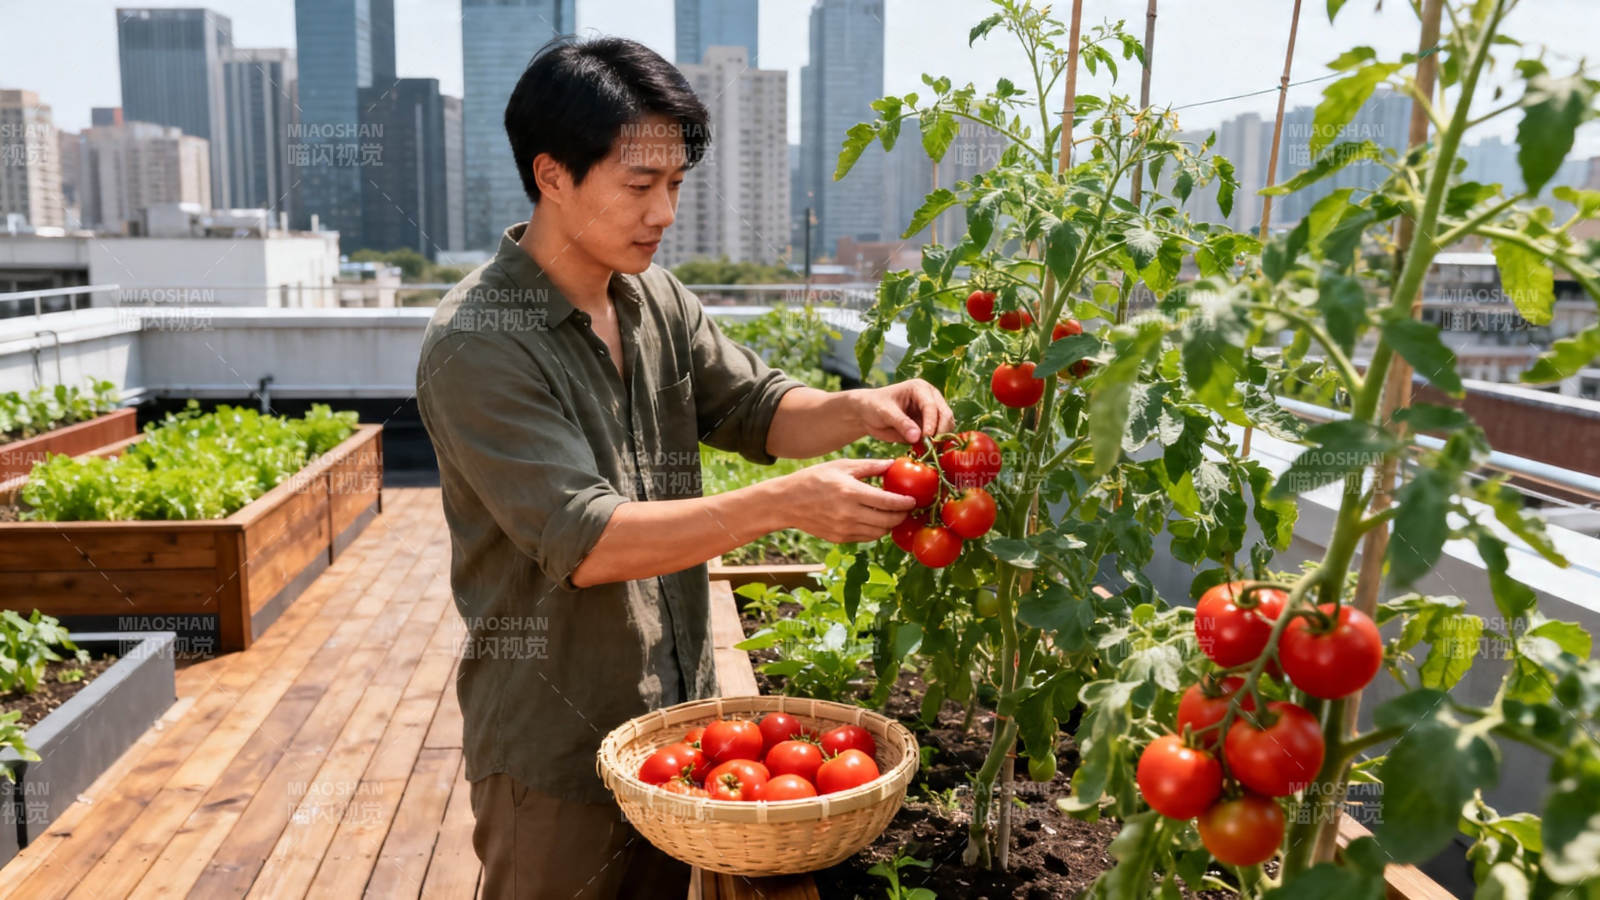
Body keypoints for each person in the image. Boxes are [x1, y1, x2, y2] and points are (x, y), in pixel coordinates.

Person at [414, 35, 954, 900]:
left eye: (675, 184)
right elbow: (586, 542)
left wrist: (862, 406)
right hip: (555, 745)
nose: (664, 212)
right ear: (552, 175)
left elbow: (757, 408)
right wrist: (782, 504)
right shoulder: (479, 342)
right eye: (640, 186)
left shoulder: (654, 298)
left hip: (674, 731)